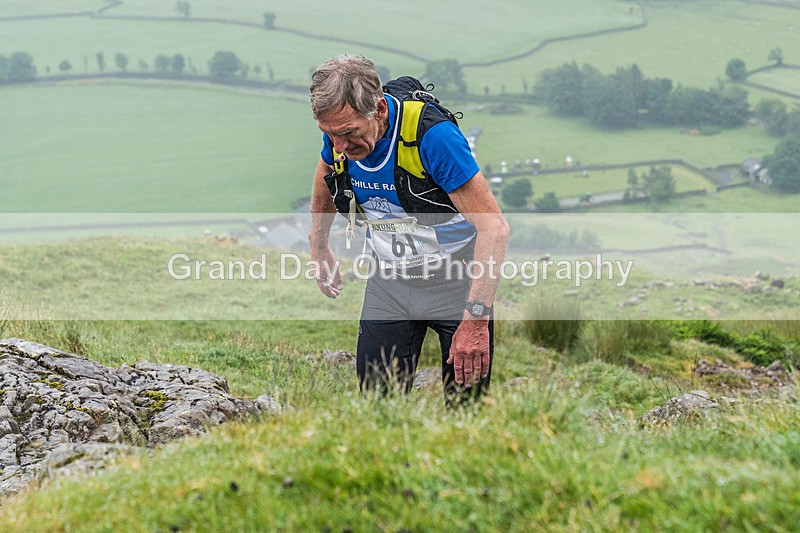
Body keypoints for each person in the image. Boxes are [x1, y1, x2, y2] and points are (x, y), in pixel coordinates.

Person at [307, 54, 509, 404]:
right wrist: (319, 245)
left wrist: (476, 321)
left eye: (348, 133)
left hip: (456, 282)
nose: (339, 146)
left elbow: (495, 228)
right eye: (329, 134)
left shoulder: (433, 138)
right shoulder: (340, 136)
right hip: (390, 283)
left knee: (467, 409)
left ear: (380, 110)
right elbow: (326, 171)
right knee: (378, 405)